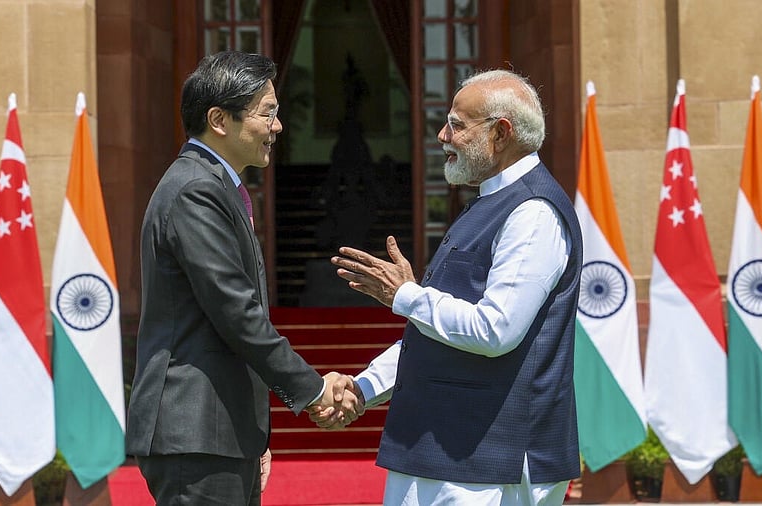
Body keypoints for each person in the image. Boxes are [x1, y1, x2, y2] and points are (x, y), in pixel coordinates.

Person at [313, 69, 583, 505]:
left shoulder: (533, 211)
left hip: (491, 461)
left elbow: (495, 331)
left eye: (457, 124)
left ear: (501, 133)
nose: (443, 135)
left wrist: (404, 294)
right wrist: (364, 388)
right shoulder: (488, 202)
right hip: (440, 451)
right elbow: (433, 336)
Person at [125, 51, 362, 505]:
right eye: (267, 113)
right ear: (219, 119)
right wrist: (314, 390)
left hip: (218, 431)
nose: (277, 127)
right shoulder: (196, 190)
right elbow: (236, 312)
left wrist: (251, 434)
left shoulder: (212, 184)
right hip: (195, 432)